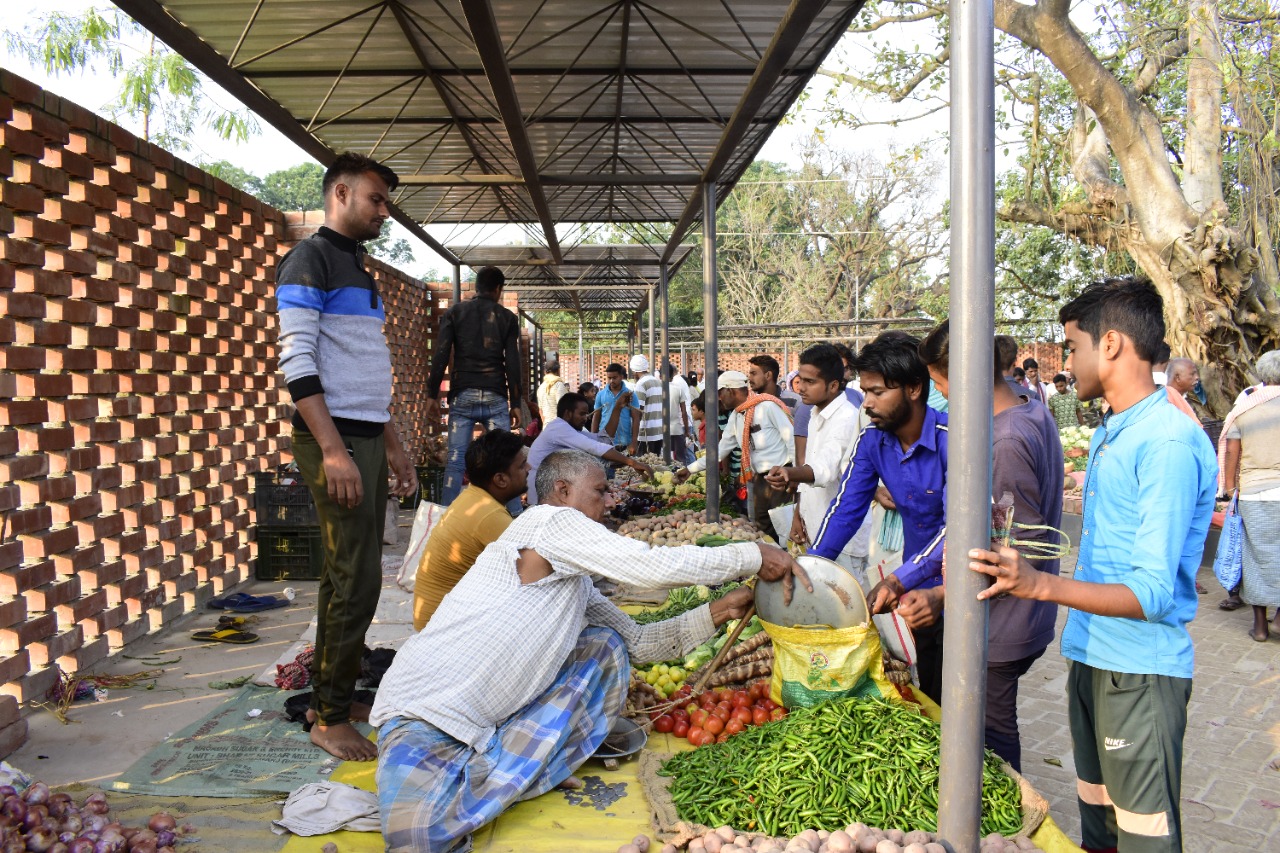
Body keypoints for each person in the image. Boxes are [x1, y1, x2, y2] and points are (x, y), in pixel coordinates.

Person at [371, 449, 810, 853]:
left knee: (604, 646)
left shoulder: (574, 579)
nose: (609, 502)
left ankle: (482, 772)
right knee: (419, 840)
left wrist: (721, 609)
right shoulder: (550, 522)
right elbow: (650, 567)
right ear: (563, 491)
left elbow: (639, 643)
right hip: (425, 712)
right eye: (599, 491)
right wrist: (752, 554)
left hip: (482, 722)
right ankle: (483, 775)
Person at [970, 277, 1216, 853]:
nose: (1067, 361)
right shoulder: (1116, 430)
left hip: (1138, 672)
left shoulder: (1166, 442)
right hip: (1093, 657)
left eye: (1072, 346)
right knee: (1101, 826)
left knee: (1145, 838)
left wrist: (1039, 584)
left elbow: (1152, 592)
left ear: (1110, 345)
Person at [275, 152, 418, 761]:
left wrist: (395, 446)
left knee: (354, 574)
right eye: (376, 200)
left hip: (364, 434)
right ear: (341, 192)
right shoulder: (308, 259)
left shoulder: (358, 269)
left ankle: (334, 694)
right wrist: (333, 451)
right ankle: (329, 717)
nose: (384, 212)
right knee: (354, 577)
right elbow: (297, 364)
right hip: (335, 439)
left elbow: (366, 372)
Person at [912, 321, 1063, 771]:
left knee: (992, 734)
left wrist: (941, 596)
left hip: (1003, 622)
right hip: (1022, 617)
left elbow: (1007, 552)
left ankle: (1006, 833)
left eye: (939, 384)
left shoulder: (1005, 440)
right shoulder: (1027, 405)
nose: (942, 396)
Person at [807, 331, 947, 700]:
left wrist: (899, 580)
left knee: (965, 701)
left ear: (914, 388)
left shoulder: (953, 440)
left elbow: (957, 530)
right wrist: (809, 569)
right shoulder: (873, 441)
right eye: (865, 391)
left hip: (957, 590)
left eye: (877, 392)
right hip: (915, 593)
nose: (866, 403)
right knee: (929, 689)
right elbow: (846, 508)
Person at [765, 344, 870, 572]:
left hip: (844, 540)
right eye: (801, 380)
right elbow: (810, 472)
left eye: (810, 382)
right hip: (816, 528)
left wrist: (790, 473)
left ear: (833, 385)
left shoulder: (846, 419)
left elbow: (825, 468)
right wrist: (797, 513)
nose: (801, 388)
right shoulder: (814, 413)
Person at [427, 266, 523, 509]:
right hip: (495, 396)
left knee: (456, 462)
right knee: (503, 460)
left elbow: (440, 355)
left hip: (463, 397)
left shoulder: (455, 313)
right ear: (499, 289)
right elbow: (512, 362)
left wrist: (431, 395)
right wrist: (517, 403)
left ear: (477, 286)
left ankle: (447, 517)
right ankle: (511, 517)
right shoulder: (507, 318)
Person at [413, 431, 529, 630]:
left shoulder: (474, 497)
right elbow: (531, 573)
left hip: (433, 620)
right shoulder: (489, 516)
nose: (529, 468)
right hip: (441, 629)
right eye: (521, 465)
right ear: (501, 479)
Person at [676, 370, 795, 540]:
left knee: (785, 529)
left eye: (720, 394)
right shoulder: (737, 415)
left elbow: (791, 440)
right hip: (759, 479)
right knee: (763, 527)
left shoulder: (767, 406)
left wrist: (796, 477)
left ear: (730, 391)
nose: (719, 399)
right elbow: (719, 452)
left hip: (781, 478)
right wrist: (690, 469)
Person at [1214, 350, 1280, 639]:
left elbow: (1231, 452)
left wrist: (1229, 488)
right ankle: (1279, 618)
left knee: (1253, 556)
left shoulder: (1245, 407)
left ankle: (1261, 627)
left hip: (1253, 493)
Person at [526, 393, 653, 504]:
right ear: (567, 413)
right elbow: (596, 447)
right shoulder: (558, 428)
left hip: (553, 488)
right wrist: (632, 462)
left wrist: (618, 407)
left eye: (586, 414)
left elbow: (603, 439)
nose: (585, 418)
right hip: (541, 492)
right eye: (581, 414)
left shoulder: (570, 430)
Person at [590, 363, 635, 453]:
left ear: (621, 377)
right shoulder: (601, 394)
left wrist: (634, 442)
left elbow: (636, 418)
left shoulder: (630, 395)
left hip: (624, 441)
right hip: (604, 440)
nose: (611, 381)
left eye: (614, 378)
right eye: (609, 378)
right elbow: (596, 416)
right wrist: (593, 438)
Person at [630, 355, 664, 456]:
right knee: (655, 466)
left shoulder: (641, 384)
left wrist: (634, 438)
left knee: (644, 465)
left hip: (646, 434)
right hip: (658, 430)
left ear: (635, 371)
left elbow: (638, 412)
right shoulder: (656, 381)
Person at [663, 362, 696, 464]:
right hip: (677, 427)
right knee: (681, 459)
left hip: (663, 429)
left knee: (665, 458)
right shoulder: (678, 387)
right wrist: (686, 430)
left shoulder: (657, 388)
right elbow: (683, 411)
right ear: (673, 374)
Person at [1167, 358, 1213, 422]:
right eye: (1192, 374)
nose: (1197, 377)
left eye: (1196, 374)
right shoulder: (1166, 401)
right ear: (1178, 378)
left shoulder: (1184, 398)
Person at [536, 358, 568, 429]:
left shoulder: (541, 387)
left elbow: (540, 410)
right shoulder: (558, 385)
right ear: (558, 371)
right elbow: (563, 408)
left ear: (545, 372)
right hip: (559, 426)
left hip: (547, 426)